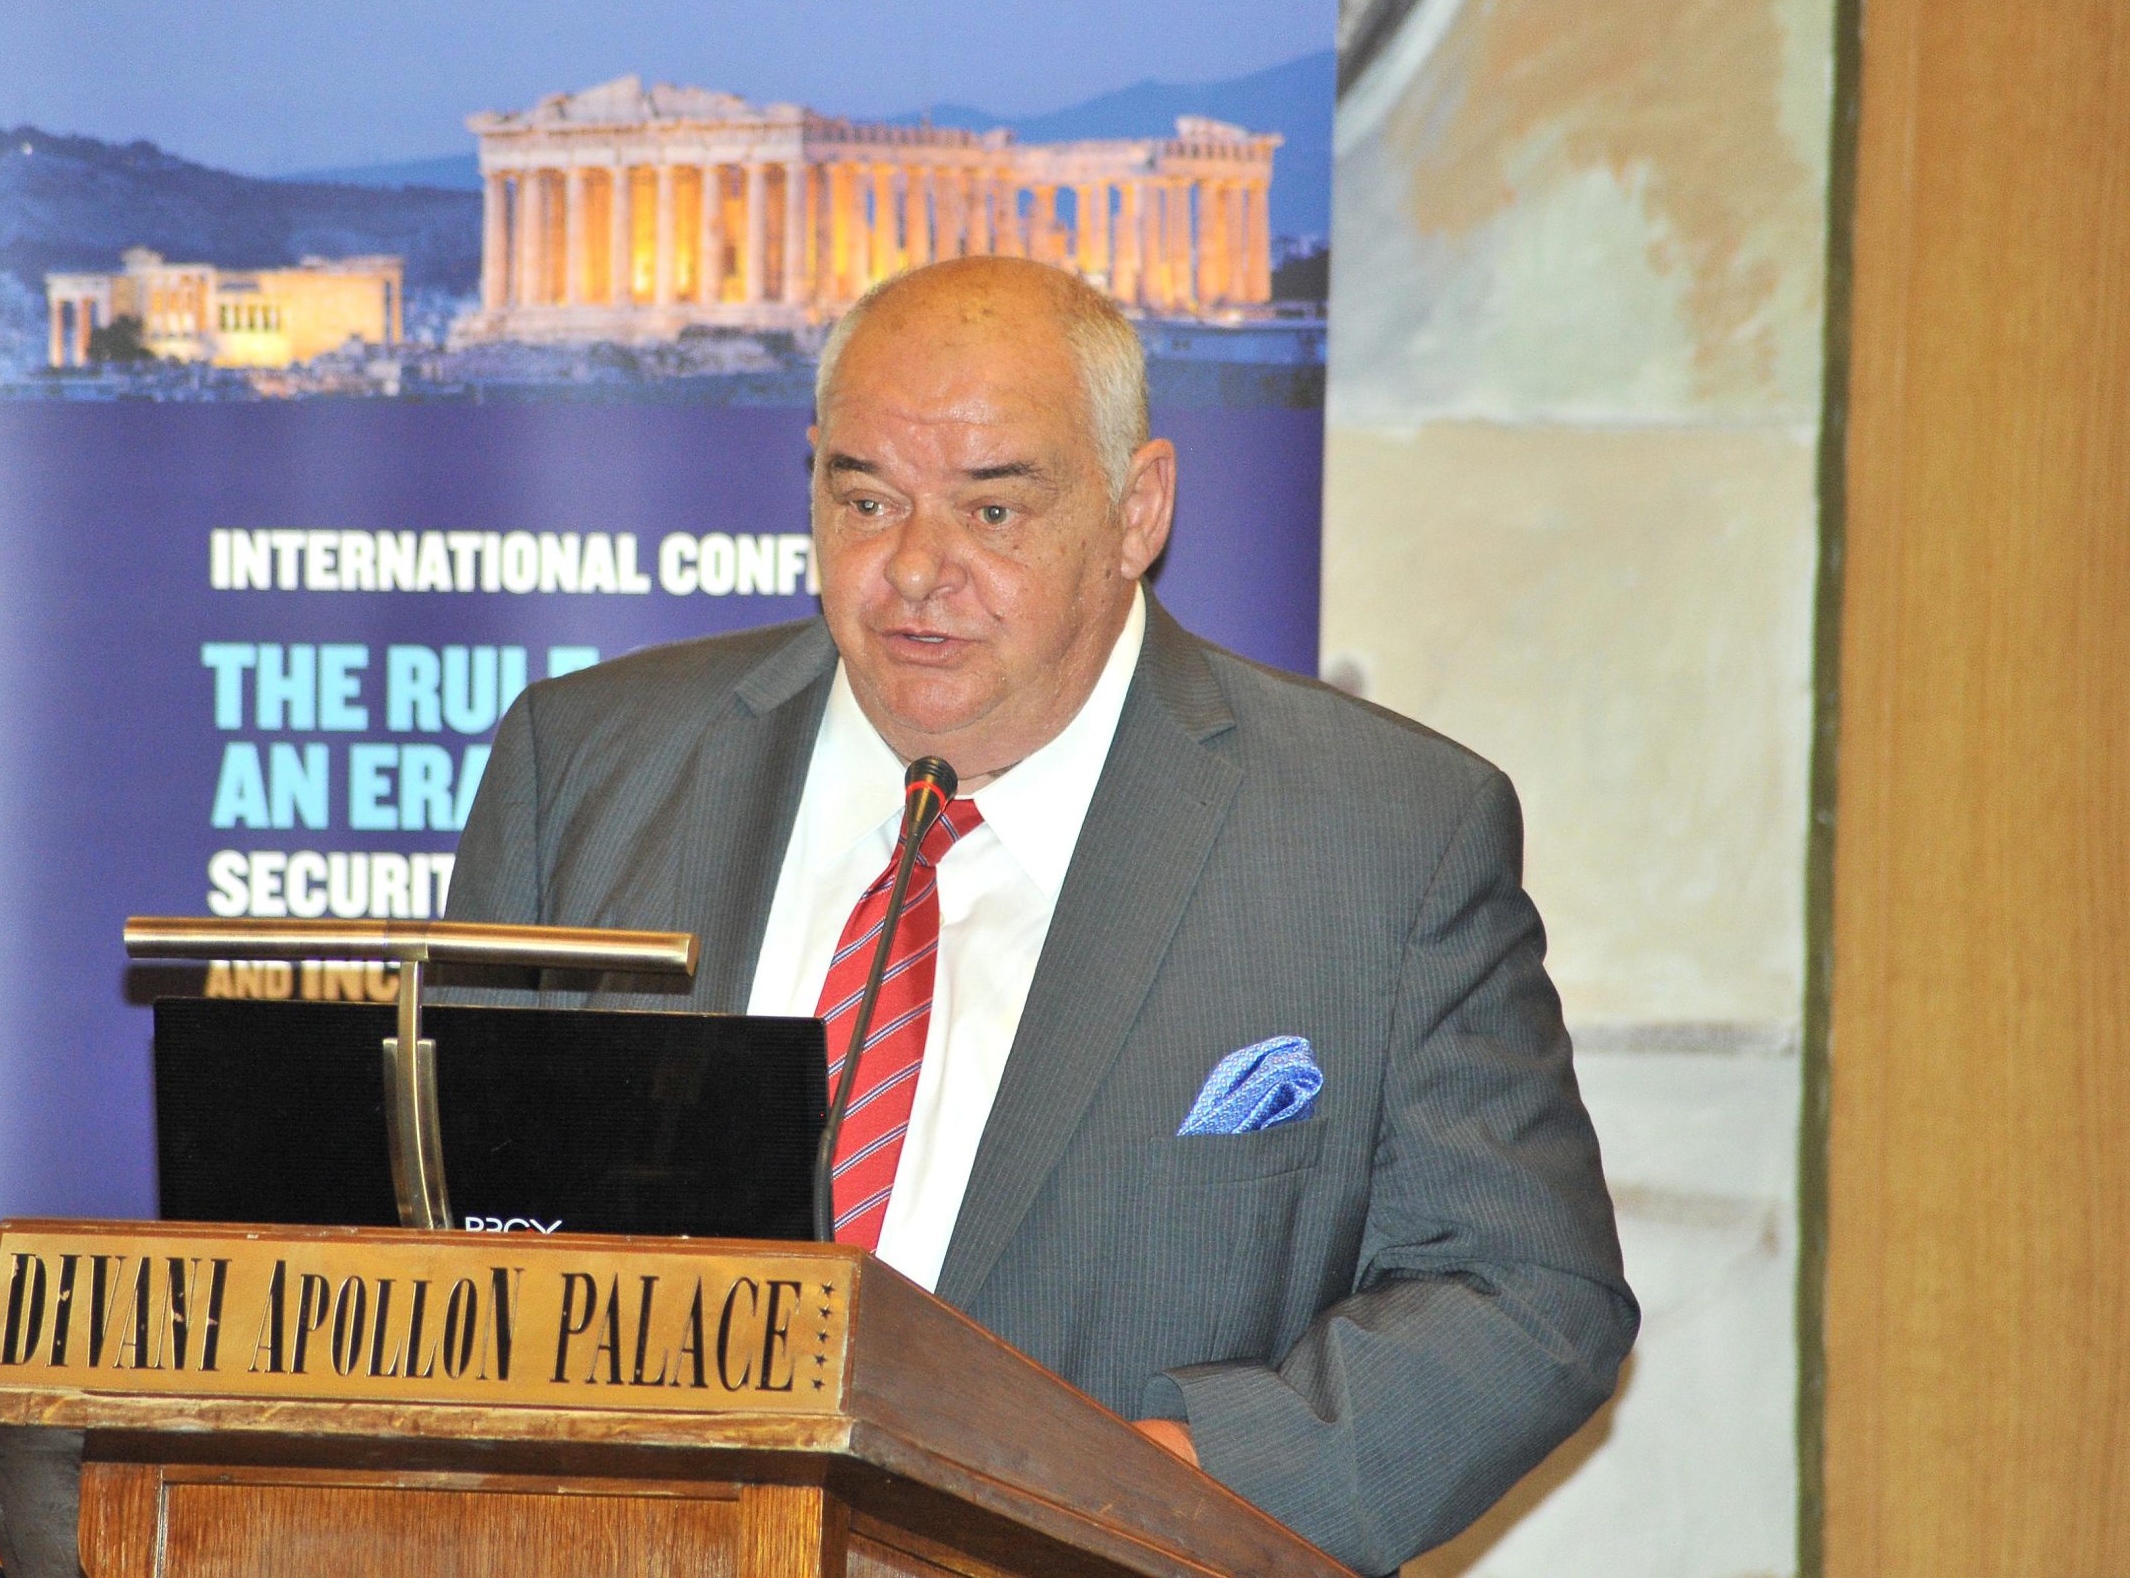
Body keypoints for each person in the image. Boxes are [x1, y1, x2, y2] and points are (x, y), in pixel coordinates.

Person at [443, 256, 1635, 1574]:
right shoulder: (588, 764)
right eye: (865, 500)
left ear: (1138, 511)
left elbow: (1526, 1295)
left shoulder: (1380, 835)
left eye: (994, 510)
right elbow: (434, 1229)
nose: (915, 569)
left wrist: (1153, 1493)